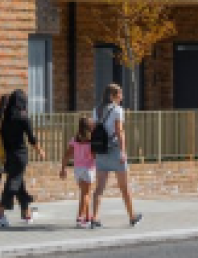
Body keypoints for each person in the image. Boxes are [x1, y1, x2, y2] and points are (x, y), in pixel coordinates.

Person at [91, 83, 142, 229]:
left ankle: (95, 218)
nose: (122, 97)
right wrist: (123, 151)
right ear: (113, 96)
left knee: (99, 187)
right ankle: (132, 217)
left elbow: (94, 131)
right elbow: (119, 131)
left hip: (101, 151)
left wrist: (94, 150)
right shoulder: (118, 110)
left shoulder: (97, 110)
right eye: (120, 94)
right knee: (124, 187)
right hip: (114, 150)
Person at [0, 89, 45, 228]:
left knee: (19, 182)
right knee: (13, 183)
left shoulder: (5, 117)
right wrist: (40, 151)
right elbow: (32, 138)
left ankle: (26, 214)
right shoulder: (23, 117)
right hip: (20, 154)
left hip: (7, 154)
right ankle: (0, 213)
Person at [59, 116, 95, 229]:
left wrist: (63, 168)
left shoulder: (74, 140)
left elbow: (67, 155)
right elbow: (94, 156)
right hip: (88, 169)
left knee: (85, 192)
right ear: (90, 127)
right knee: (86, 194)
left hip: (78, 170)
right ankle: (80, 217)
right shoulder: (92, 141)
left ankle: (88, 217)